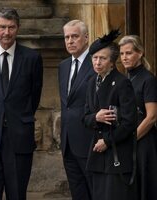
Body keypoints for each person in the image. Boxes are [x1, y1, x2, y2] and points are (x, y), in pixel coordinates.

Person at [0, 7, 43, 200]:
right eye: (2, 27)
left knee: (17, 193)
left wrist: (16, 115)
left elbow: (34, 97)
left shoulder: (32, 58)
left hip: (19, 135)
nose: (7, 32)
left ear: (18, 28)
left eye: (11, 27)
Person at [83, 30, 137, 200]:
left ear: (112, 62)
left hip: (116, 154)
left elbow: (130, 122)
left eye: (103, 58)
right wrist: (95, 117)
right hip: (97, 157)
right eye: (95, 58)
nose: (97, 62)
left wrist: (107, 141)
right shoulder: (92, 82)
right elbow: (85, 116)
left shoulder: (122, 83)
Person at [58, 20, 95, 200]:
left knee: (96, 191)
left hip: (90, 140)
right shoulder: (63, 66)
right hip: (68, 142)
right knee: (77, 193)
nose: (70, 41)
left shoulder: (96, 62)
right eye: (67, 37)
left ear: (86, 38)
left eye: (75, 36)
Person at [119, 35, 157, 200]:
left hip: (145, 144)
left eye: (128, 53)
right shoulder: (125, 79)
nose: (124, 58)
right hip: (129, 142)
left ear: (140, 53)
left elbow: (152, 117)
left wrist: (132, 139)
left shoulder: (148, 79)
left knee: (145, 188)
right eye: (121, 54)